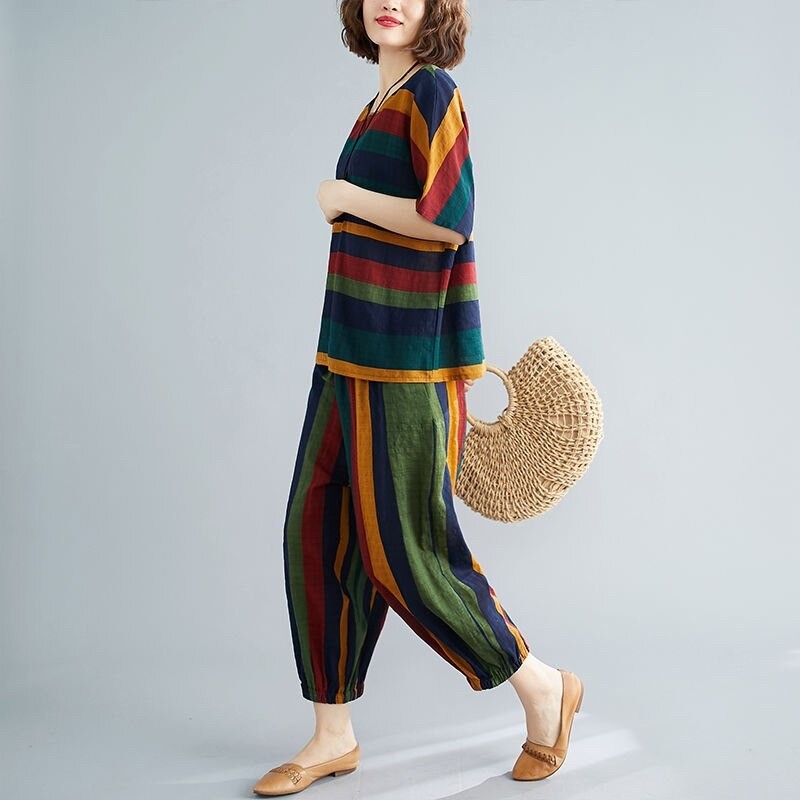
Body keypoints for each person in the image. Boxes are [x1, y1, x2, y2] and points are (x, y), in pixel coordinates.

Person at [253, 1, 583, 795]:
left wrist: (341, 195)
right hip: (345, 353)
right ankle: (332, 735)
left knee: (408, 551)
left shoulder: (432, 91)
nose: (389, 0)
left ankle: (542, 684)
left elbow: (449, 218)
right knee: (316, 533)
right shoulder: (379, 102)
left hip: (406, 363)